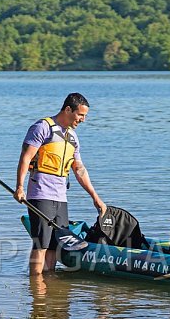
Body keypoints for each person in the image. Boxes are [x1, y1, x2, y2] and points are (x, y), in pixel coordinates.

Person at [15, 92, 106, 274]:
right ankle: (36, 289)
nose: (83, 120)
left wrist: (95, 197)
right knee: (41, 244)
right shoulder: (42, 127)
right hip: (40, 194)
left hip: (61, 197)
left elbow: (79, 169)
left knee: (55, 246)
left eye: (85, 116)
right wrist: (19, 187)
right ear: (67, 109)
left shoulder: (72, 137)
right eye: (80, 115)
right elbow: (25, 158)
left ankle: (48, 284)